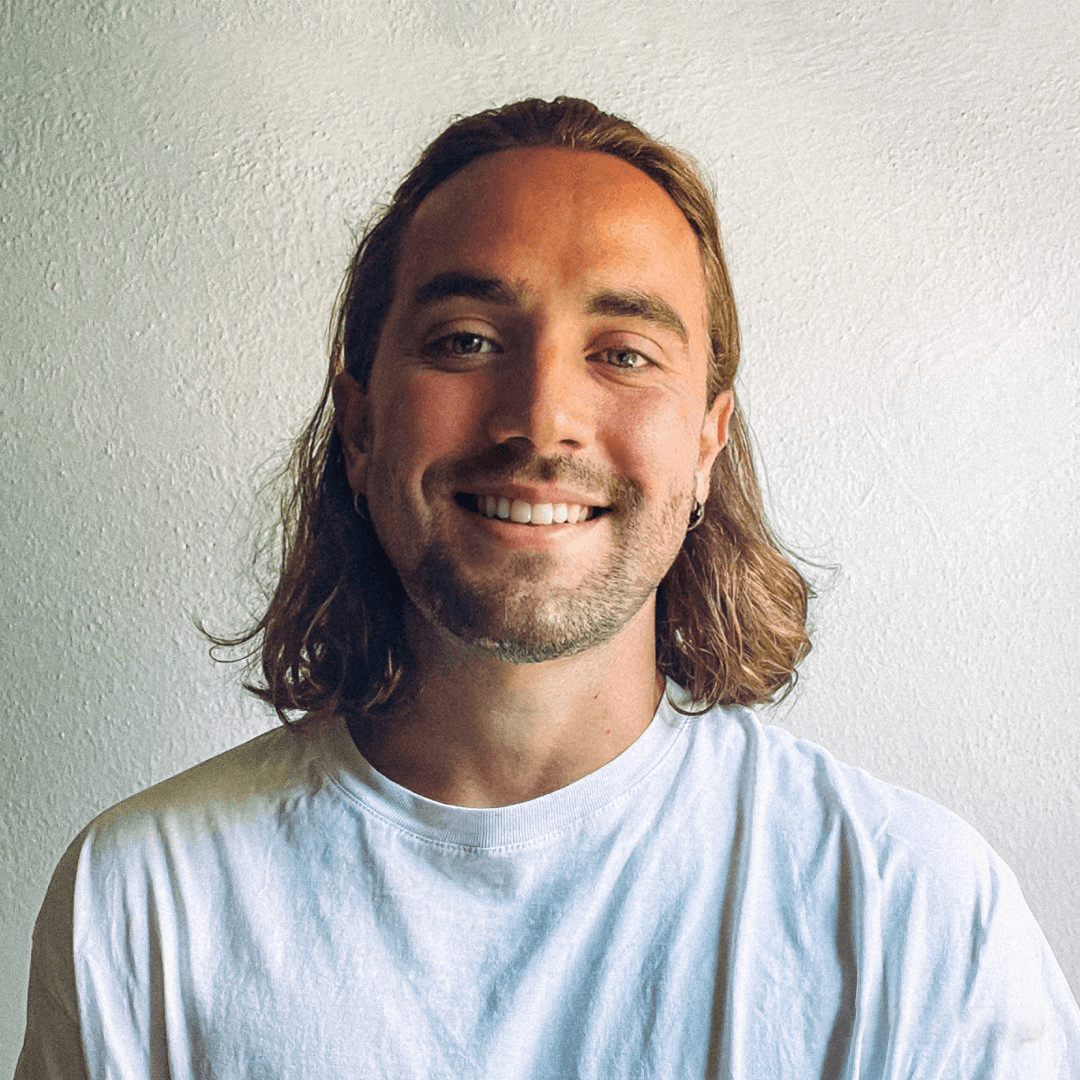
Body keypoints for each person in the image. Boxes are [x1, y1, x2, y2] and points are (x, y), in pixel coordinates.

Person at [17, 96, 1080, 1078]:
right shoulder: (143, 900)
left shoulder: (916, 914)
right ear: (361, 424)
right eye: (466, 341)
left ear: (707, 443)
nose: (541, 419)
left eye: (623, 353)